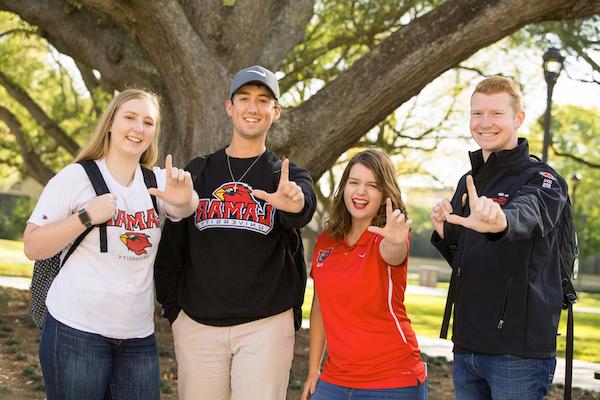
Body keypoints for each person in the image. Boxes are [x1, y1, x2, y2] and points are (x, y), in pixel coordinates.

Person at [23, 88, 198, 400]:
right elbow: (33, 246)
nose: (138, 128)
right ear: (110, 124)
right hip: (76, 331)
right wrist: (86, 217)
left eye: (148, 122)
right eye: (129, 117)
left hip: (137, 337)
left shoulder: (155, 182)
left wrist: (187, 200)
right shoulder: (75, 178)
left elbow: (183, 206)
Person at [154, 65, 317, 400]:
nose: (252, 108)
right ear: (230, 107)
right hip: (198, 326)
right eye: (244, 98)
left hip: (265, 328)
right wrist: (175, 311)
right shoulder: (198, 172)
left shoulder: (284, 176)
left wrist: (295, 202)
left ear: (276, 111)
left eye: (263, 100)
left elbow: (303, 207)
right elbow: (173, 248)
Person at [430, 76, 567, 399]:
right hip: (467, 347)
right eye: (477, 114)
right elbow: (469, 260)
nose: (484, 123)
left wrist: (501, 220)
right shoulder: (469, 181)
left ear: (518, 119)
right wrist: (446, 233)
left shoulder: (544, 180)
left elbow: (527, 213)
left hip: (517, 353)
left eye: (496, 114)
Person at [302, 149, 428, 400]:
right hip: (334, 380)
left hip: (392, 380)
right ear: (344, 188)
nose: (360, 192)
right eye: (354, 183)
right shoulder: (327, 239)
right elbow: (320, 305)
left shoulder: (387, 237)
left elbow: (394, 252)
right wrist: (314, 368)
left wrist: (395, 240)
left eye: (372, 185)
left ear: (384, 194)